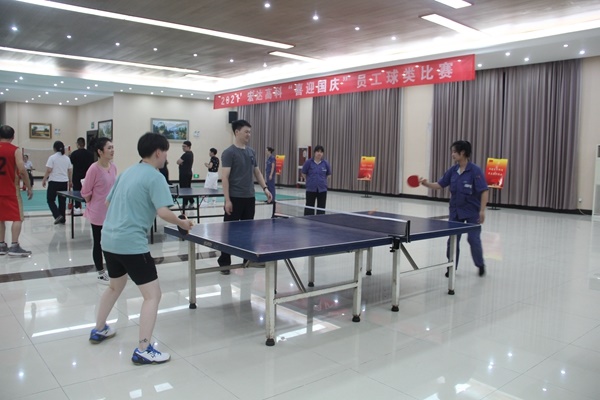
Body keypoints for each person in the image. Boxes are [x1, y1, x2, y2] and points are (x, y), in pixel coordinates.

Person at [89, 132, 192, 365]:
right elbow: (163, 212)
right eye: (165, 152)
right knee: (153, 295)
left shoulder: (126, 172)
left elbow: (107, 202)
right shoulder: (155, 177)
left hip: (109, 240)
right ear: (158, 152)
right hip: (131, 244)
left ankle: (99, 328)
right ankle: (144, 349)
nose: (166, 157)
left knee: (114, 286)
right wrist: (183, 223)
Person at [419, 140, 489, 277]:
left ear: (462, 153)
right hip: (455, 211)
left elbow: (484, 191)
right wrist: (426, 184)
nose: (452, 154)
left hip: (472, 212)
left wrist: (482, 211)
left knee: (473, 239)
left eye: (454, 152)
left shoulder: (475, 171)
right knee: (452, 240)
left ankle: (480, 264)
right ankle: (451, 267)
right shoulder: (453, 170)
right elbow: (440, 184)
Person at [217, 120, 272, 274]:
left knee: (248, 231)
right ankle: (224, 262)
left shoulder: (251, 152)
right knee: (229, 232)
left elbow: (257, 172)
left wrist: (265, 188)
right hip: (235, 198)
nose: (249, 134)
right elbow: (225, 177)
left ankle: (247, 259)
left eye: (249, 132)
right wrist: (227, 200)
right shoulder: (229, 153)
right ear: (237, 132)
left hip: (249, 197)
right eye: (246, 131)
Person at [81, 138, 117, 284]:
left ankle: (115, 270)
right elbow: (85, 191)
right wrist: (93, 203)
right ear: (100, 152)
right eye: (109, 148)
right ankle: (101, 272)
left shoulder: (113, 167)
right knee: (99, 242)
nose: (112, 150)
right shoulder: (93, 169)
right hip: (97, 213)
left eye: (112, 147)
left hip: (111, 212)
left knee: (112, 242)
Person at [0, 125, 33, 257]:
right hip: (11, 190)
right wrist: (28, 186)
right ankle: (14, 246)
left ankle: (1, 245)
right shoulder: (15, 150)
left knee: (0, 218)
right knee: (17, 217)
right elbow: (22, 170)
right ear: (13, 137)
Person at [42, 141, 73, 224]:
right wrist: (70, 181)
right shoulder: (67, 158)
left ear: (54, 148)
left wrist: (44, 179)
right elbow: (70, 171)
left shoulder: (52, 157)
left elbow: (49, 170)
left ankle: (57, 215)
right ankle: (63, 219)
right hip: (64, 182)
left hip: (54, 182)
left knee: (50, 200)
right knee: (62, 201)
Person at [301, 145, 332, 215]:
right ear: (314, 152)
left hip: (322, 189)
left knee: (321, 208)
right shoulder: (308, 162)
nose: (319, 153)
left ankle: (320, 220)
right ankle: (308, 220)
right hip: (311, 189)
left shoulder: (325, 163)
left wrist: (323, 181)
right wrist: (309, 180)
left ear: (323, 153)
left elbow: (329, 175)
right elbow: (303, 173)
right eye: (318, 151)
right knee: (309, 207)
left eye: (321, 152)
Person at [70, 137, 94, 214]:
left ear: (77, 144)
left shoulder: (74, 154)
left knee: (76, 191)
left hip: (76, 176)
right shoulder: (90, 154)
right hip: (87, 176)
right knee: (88, 191)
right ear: (84, 144)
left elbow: (71, 163)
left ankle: (77, 207)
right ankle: (88, 206)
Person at [176, 140, 194, 209]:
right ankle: (191, 202)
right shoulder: (191, 154)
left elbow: (178, 162)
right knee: (187, 188)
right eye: (182, 146)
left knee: (184, 189)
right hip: (188, 173)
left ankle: (185, 204)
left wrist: (181, 163)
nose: (183, 148)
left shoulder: (186, 154)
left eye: (184, 146)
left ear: (188, 147)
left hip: (184, 174)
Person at [265, 147, 276, 217]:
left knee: (272, 188)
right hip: (267, 174)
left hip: (270, 175)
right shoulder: (268, 158)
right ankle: (269, 199)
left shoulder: (272, 158)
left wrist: (271, 175)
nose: (266, 151)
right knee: (268, 188)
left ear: (269, 151)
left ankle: (272, 200)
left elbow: (273, 167)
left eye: (266, 150)